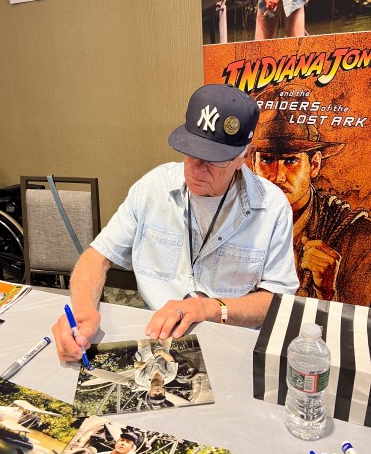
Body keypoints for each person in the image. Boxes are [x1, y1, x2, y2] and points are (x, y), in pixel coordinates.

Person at [52, 83, 298, 363]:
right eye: (191, 152)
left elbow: (277, 299)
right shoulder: (153, 188)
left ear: (245, 156)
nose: (197, 168)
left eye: (214, 160)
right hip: (156, 337)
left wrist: (210, 309)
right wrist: (83, 312)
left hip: (232, 342)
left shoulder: (271, 207)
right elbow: (98, 256)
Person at [252, 87, 371, 306]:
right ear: (253, 164)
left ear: (314, 165)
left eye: (290, 161)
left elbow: (364, 321)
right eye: (267, 160)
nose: (277, 176)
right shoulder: (236, 221)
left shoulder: (357, 237)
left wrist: (327, 293)